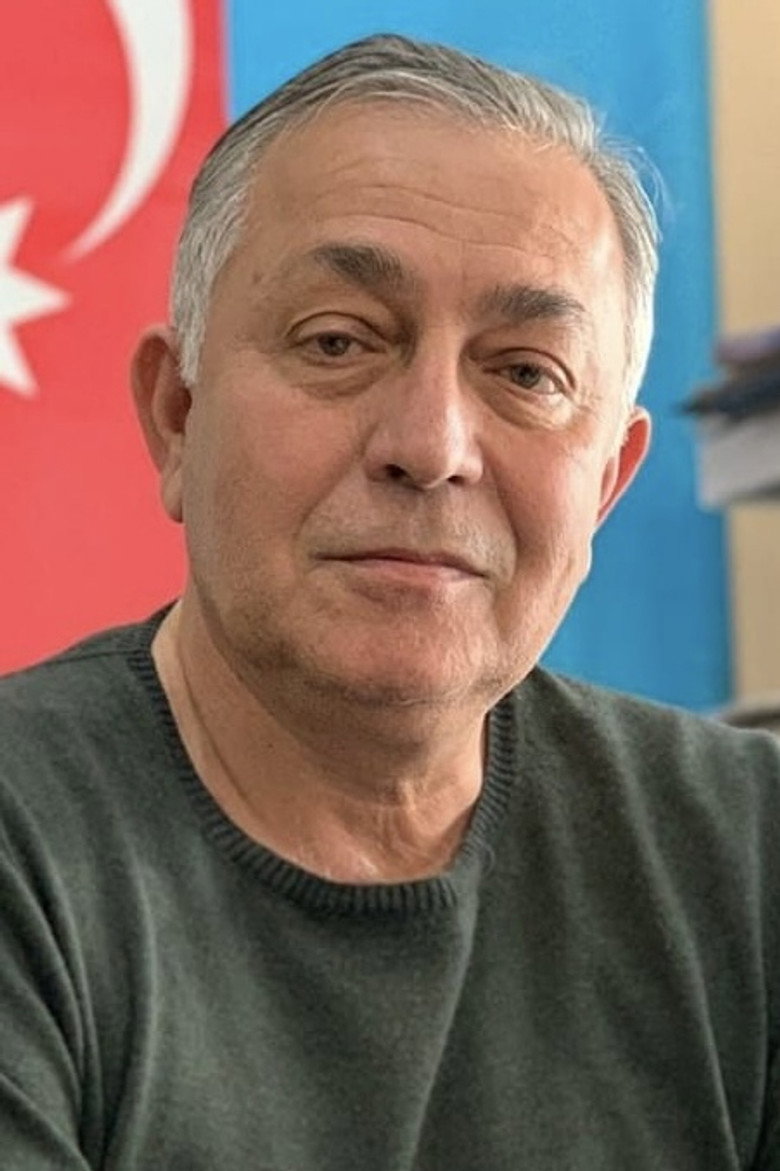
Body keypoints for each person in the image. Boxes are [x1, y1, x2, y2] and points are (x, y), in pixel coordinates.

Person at [1, 32, 778, 1171]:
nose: (432, 445)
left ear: (607, 485)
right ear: (177, 416)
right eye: (339, 341)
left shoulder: (748, 850)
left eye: (526, 372)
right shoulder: (28, 841)